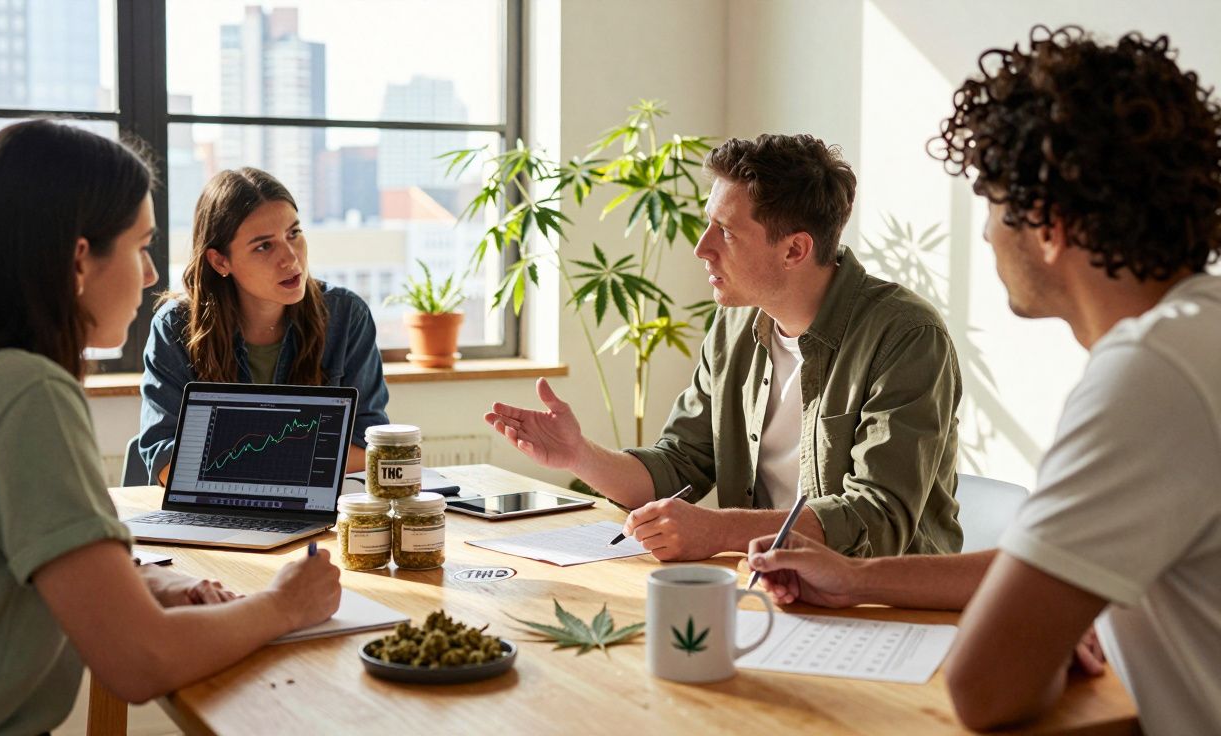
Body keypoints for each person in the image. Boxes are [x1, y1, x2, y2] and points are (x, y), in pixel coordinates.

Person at [747, 26, 1221, 733]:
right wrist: (856, 579)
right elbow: (1039, 563)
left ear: (1051, 225)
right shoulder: (1195, 338)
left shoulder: (1148, 374)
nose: (991, 234)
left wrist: (1045, 639)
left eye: (994, 204)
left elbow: (983, 689)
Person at [0, 121, 341, 734]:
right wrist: (284, 604)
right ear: (78, 259)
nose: (148, 275)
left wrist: (139, 584)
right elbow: (140, 662)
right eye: (140, 247)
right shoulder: (27, 394)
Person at [487, 134, 963, 561]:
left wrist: (719, 532)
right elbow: (678, 464)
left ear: (794, 250)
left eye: (727, 232)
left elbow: (876, 521)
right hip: (771, 588)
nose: (702, 248)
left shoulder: (906, 335)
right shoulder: (734, 325)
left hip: (885, 608)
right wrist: (579, 456)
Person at [135, 167, 389, 484]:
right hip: (217, 512)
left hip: (318, 515)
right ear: (219, 261)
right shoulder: (175, 327)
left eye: (294, 234)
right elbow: (167, 462)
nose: (290, 259)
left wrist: (234, 462)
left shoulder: (346, 316)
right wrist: (307, 458)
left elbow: (371, 446)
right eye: (263, 246)